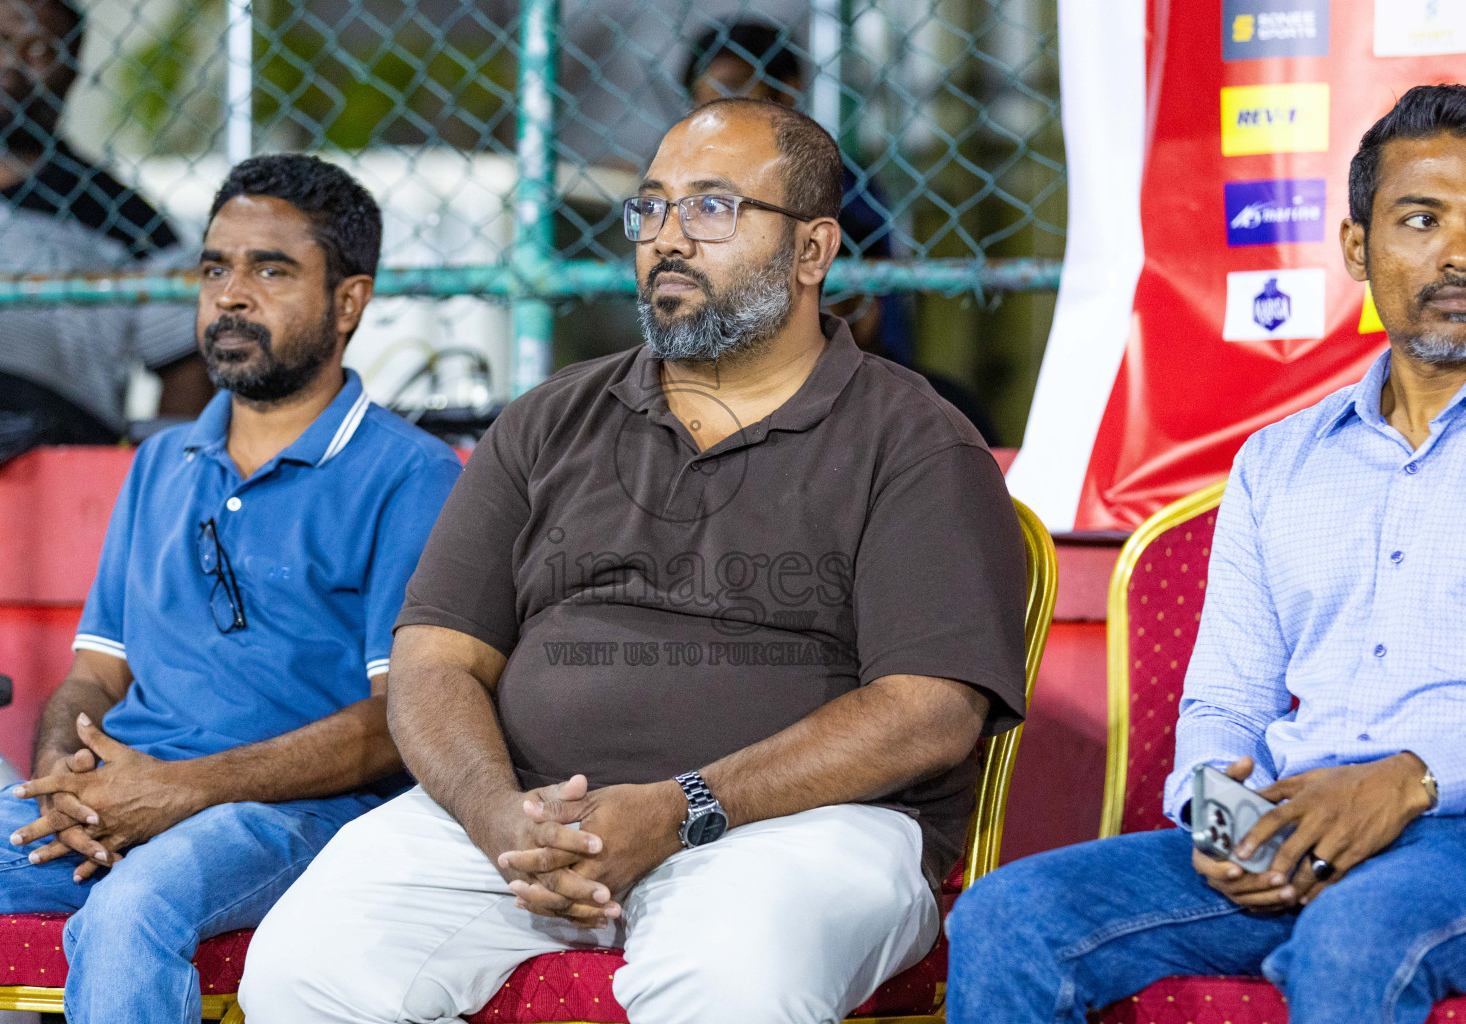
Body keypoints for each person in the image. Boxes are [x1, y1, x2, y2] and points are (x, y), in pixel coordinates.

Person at [239, 98, 1027, 1024]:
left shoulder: (915, 442)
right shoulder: (549, 420)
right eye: (650, 209)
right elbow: (436, 659)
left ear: (813, 252)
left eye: (712, 208)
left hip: (794, 833)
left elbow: (928, 713)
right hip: (527, 821)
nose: (666, 239)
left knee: (729, 982)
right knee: (302, 968)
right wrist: (499, 822)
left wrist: (680, 808)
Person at [944, 84, 1466, 1024]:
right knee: (1009, 916)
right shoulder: (1281, 462)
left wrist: (1414, 777)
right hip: (1294, 830)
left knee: (1351, 937)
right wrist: (1215, 801)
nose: (1456, 254)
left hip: (1452, 839)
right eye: (1420, 220)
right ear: (1358, 247)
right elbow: (1227, 696)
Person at [0, 154, 460, 1024]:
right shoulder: (162, 463)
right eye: (215, 267)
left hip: (296, 812)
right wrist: (69, 780)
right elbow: (96, 679)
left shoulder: (412, 477)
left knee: (133, 909)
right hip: (130, 788)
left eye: (271, 269)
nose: (231, 294)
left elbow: (398, 723)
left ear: (349, 302)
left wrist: (184, 791)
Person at [682, 19, 999, 444]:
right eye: (703, 100)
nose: (718, 113)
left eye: (734, 88)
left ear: (787, 89)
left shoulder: (842, 188)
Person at [0, 0, 211, 444]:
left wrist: (162, 467)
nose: (9, 64)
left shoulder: (125, 218)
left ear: (73, 77)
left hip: (55, 448)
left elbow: (188, 365)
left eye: (39, 51)